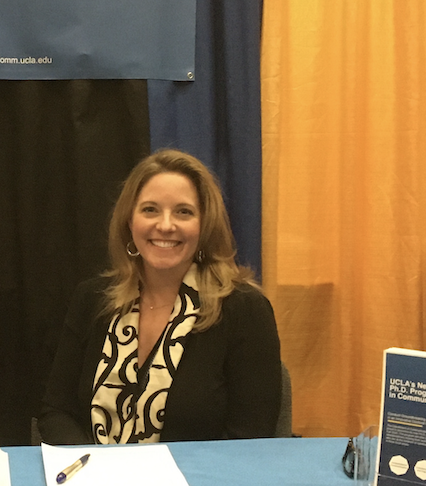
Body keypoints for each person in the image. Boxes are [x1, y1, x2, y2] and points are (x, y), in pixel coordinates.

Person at [39, 149, 281, 444]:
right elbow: (55, 412)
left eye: (184, 211)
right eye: (150, 209)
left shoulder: (245, 310)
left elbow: (251, 441)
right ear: (130, 221)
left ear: (204, 225)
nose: (165, 225)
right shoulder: (91, 299)